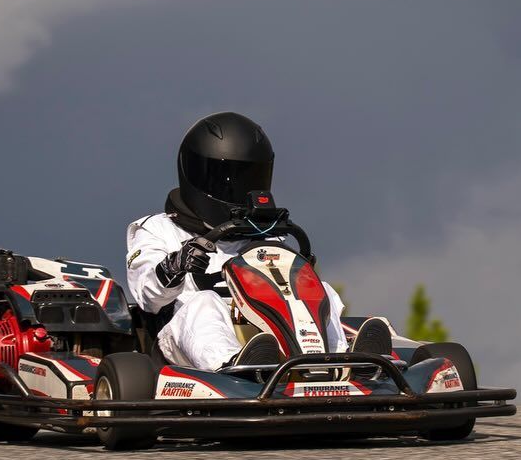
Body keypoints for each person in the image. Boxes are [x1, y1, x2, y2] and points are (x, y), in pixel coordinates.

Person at [125, 112, 390, 370]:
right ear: (199, 175)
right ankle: (232, 366)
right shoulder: (157, 229)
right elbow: (148, 297)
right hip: (182, 342)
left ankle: (341, 361)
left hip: (264, 335)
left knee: (322, 291)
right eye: (231, 180)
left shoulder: (267, 235)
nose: (240, 189)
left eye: (250, 178)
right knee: (204, 302)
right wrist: (174, 266)